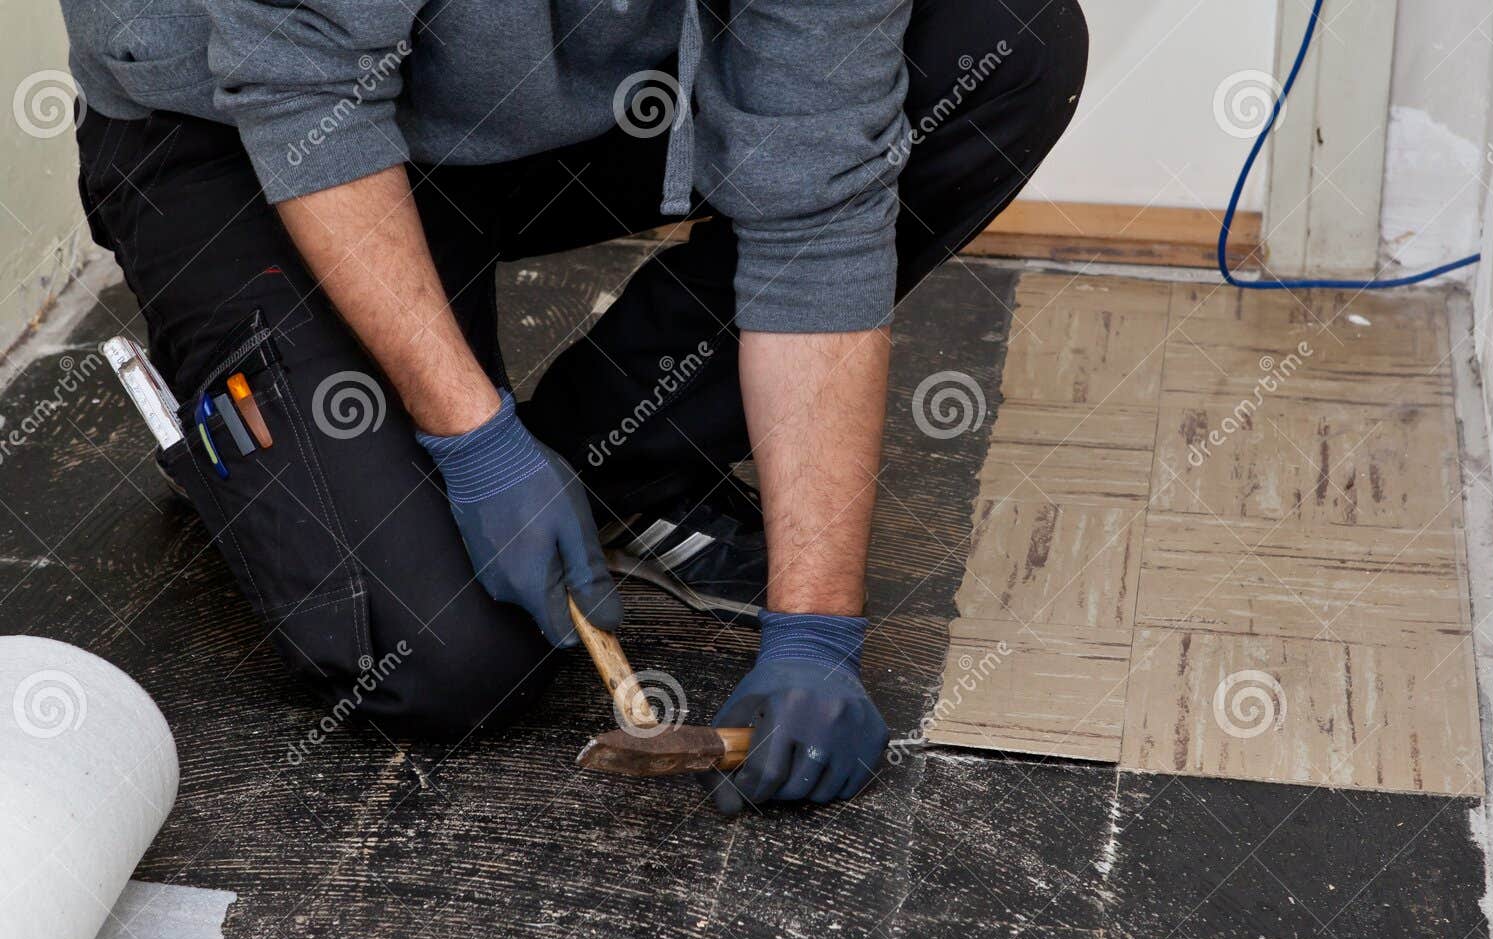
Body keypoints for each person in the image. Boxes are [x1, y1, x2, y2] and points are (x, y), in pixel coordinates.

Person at [61, 0, 1088, 814]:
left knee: (999, 47)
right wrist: (472, 439)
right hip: (244, 120)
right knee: (447, 656)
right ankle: (237, 415)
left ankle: (606, 453)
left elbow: (816, 197)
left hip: (556, 99)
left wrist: (815, 630)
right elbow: (299, 87)